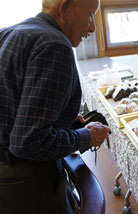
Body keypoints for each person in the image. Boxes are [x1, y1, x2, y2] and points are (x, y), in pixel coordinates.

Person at [0, 0, 110, 213]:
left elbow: (15, 107)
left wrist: (63, 121)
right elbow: (28, 142)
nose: (92, 28)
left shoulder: (8, 33)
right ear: (65, 8)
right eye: (90, 15)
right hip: (27, 184)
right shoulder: (54, 45)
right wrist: (86, 136)